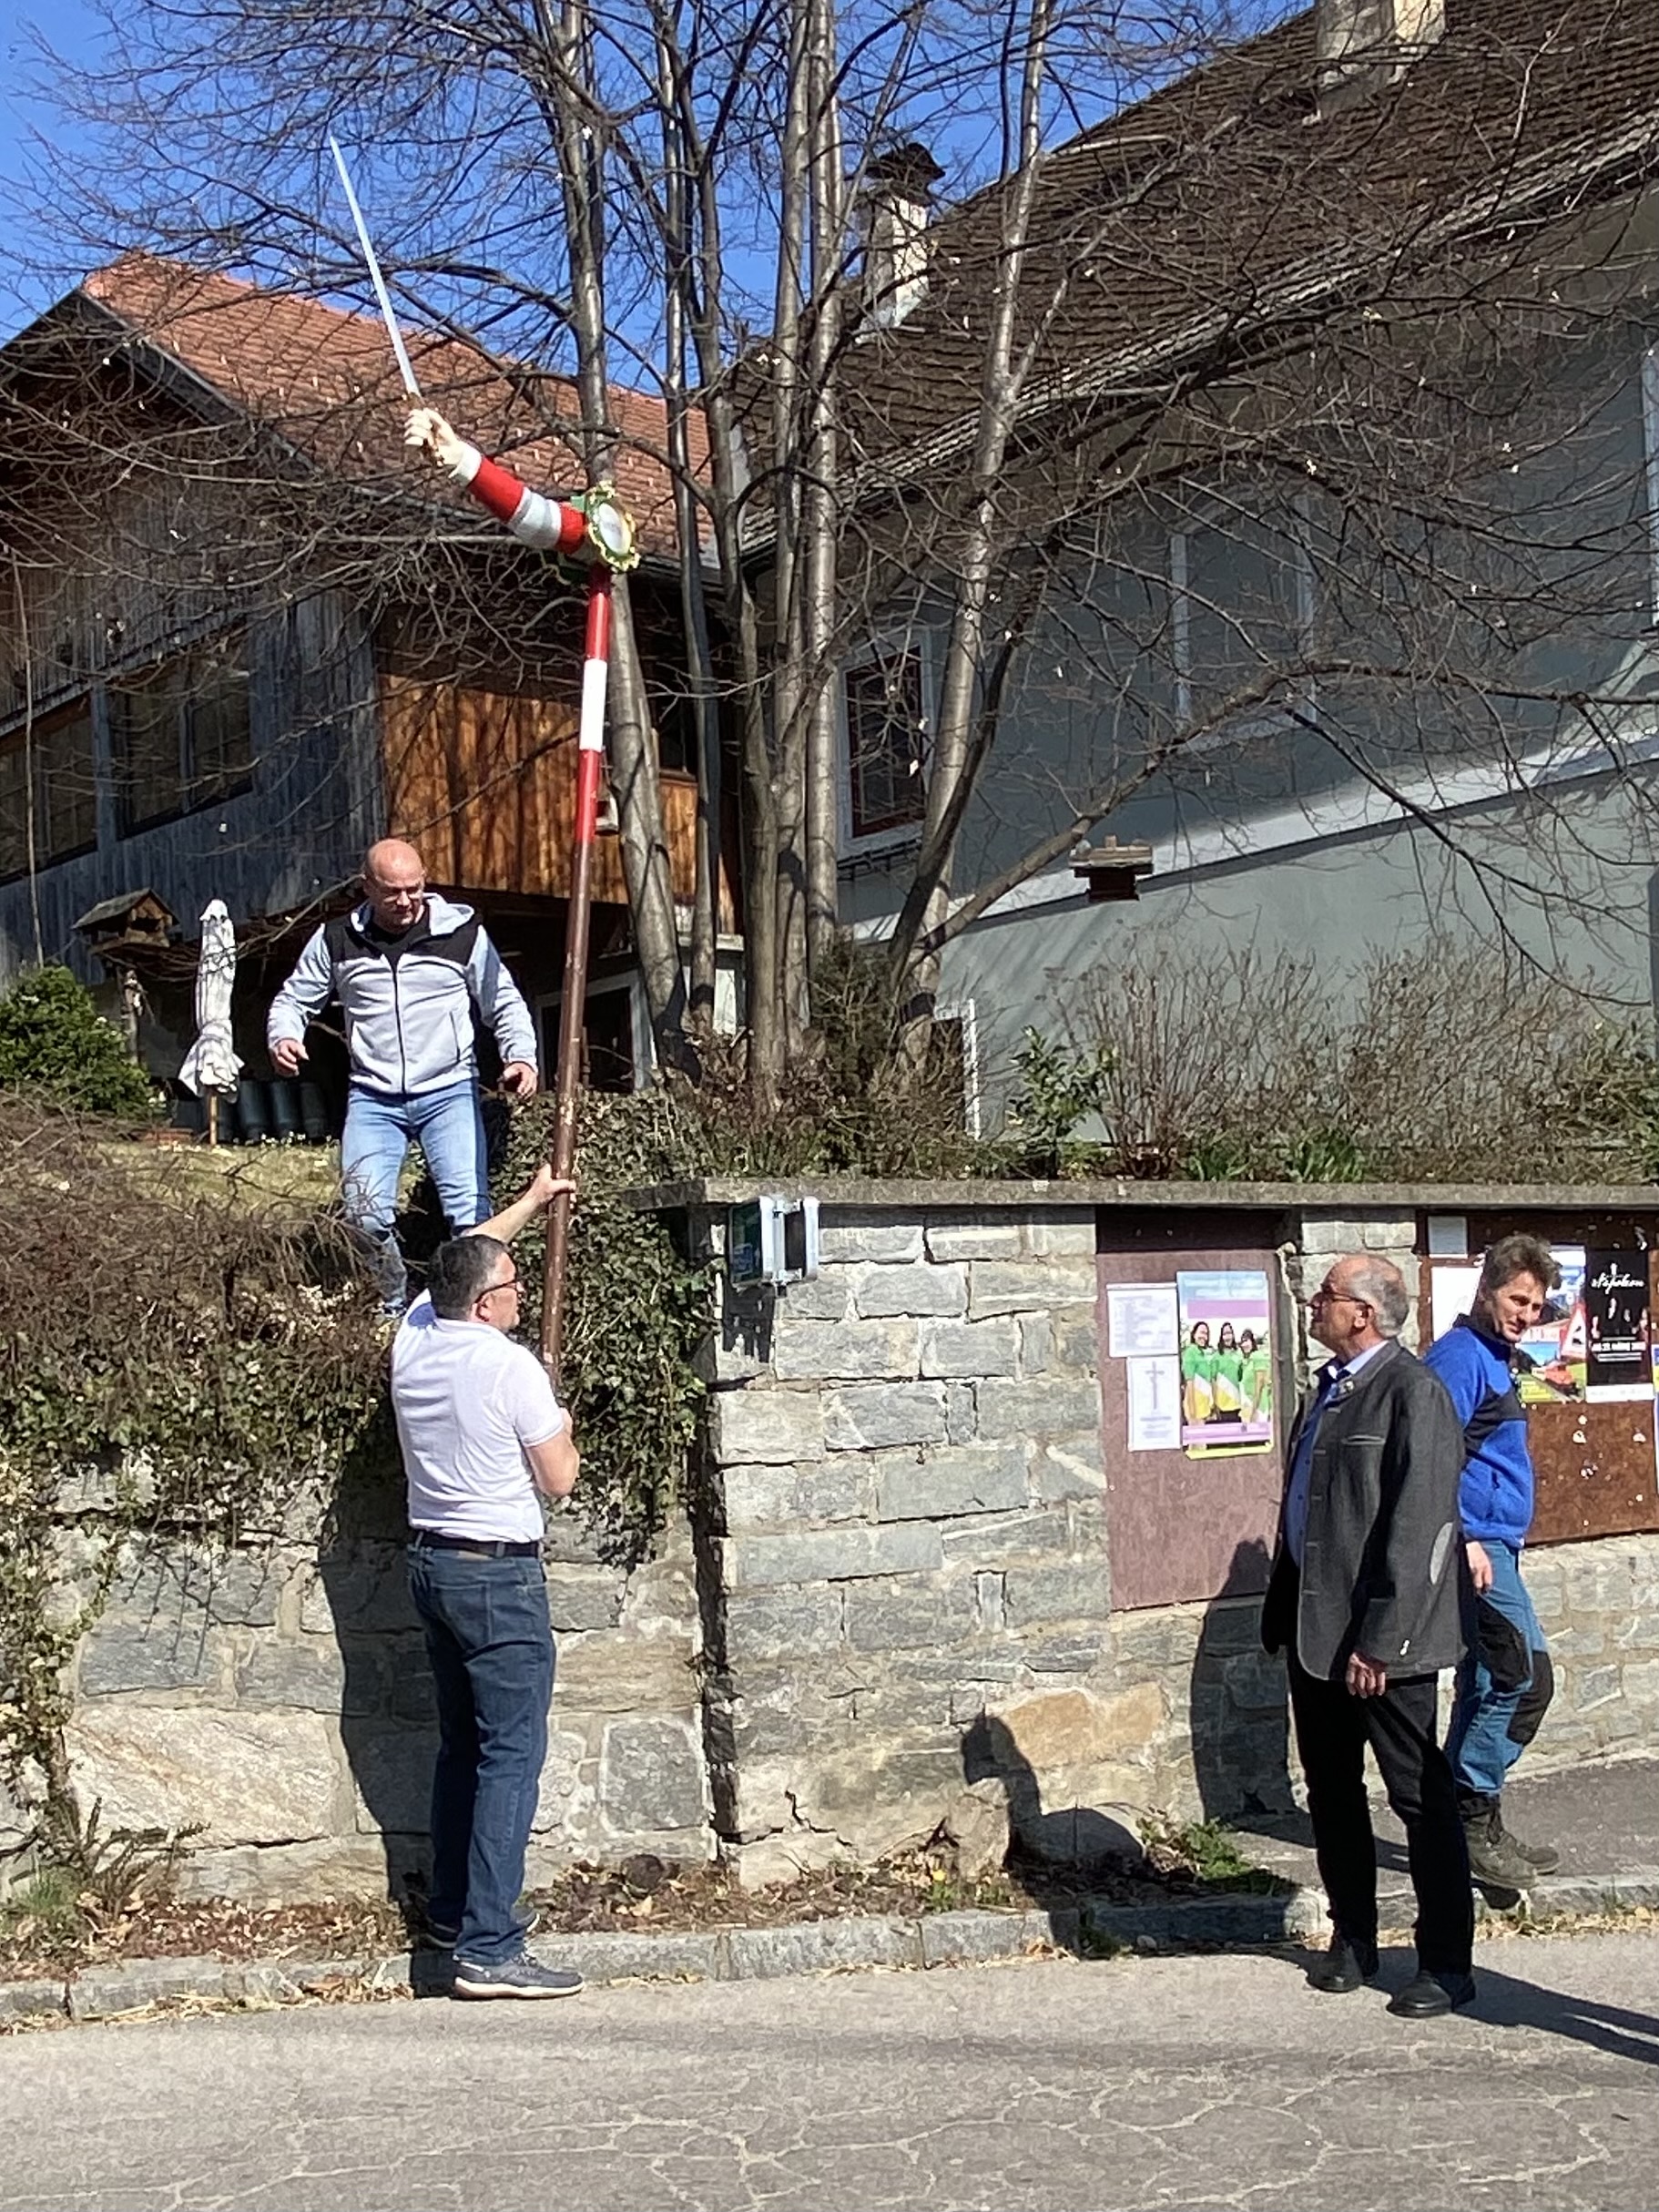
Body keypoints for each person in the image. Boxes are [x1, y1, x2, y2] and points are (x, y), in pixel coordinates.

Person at [1261, 1252, 1475, 2017]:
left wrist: (1380, 1641)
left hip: (1387, 1644)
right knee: (1332, 1793)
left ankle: (1447, 1962)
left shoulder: (1414, 1393)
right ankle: (1354, 1938)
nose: (1313, 1305)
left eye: (1326, 1295)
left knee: (1420, 1799)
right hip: (1314, 1632)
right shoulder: (1327, 1390)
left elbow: (1421, 1528)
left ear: (1364, 1313)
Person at [392, 1161, 582, 2000]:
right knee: (511, 1754)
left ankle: (451, 1911)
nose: (514, 1288)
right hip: (499, 1578)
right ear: (485, 1303)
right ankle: (491, 1947)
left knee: (462, 1744)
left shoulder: (416, 1336)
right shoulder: (510, 1368)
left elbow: (468, 1256)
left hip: (433, 1563)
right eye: (508, 1283)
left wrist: (532, 1206)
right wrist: (560, 1411)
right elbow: (559, 1477)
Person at [268, 839, 539, 1310]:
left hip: (448, 1091)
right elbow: (293, 999)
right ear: (367, 887)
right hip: (374, 1098)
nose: (406, 901)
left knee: (469, 1219)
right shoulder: (337, 939)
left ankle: (475, 1315)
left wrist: (521, 1055)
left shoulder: (462, 932)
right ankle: (395, 1308)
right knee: (364, 1216)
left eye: (414, 888)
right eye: (392, 892)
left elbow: (504, 1000)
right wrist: (284, 1035)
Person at [1422, 1234, 1562, 1891]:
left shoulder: (1496, 1357)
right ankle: (1472, 1814)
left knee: (1486, 1682)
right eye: (1517, 1298)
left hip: (1498, 1543)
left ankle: (1469, 1823)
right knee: (1526, 1677)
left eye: (1535, 1305)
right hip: (1475, 1547)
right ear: (1486, 1289)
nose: (1526, 1313)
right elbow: (1431, 1453)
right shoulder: (1460, 1357)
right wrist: (1465, 1539)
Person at [1181, 1320, 1216, 1428]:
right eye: (1201, 1332)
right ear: (1194, 1334)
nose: (1204, 1336)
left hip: (1203, 1408)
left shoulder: (1202, 1355)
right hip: (1195, 1410)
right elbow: (1189, 1381)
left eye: (1206, 1334)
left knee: (1199, 1444)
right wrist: (1192, 1412)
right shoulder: (1191, 1352)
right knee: (1198, 1443)